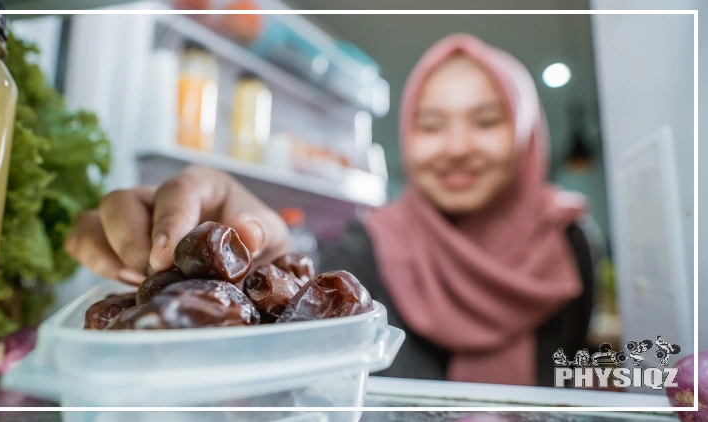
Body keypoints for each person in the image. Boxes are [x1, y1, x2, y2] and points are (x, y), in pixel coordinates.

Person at [66, 34, 599, 387]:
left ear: (528, 133)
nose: (455, 146)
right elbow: (301, 284)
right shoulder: (372, 245)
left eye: (486, 120)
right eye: (431, 125)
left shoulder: (569, 240)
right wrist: (251, 255)